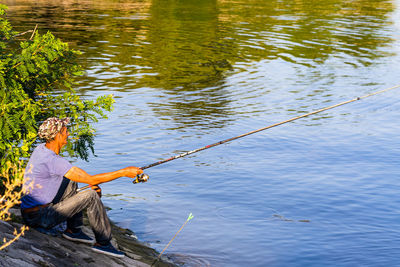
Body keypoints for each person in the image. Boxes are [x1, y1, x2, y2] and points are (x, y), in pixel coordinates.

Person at [20, 117, 143, 258]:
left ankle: (73, 230)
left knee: (70, 180)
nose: (68, 134)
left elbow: (80, 178)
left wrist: (85, 191)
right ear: (57, 135)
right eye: (65, 131)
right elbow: (91, 179)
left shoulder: (41, 149)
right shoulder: (53, 160)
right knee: (90, 195)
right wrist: (123, 172)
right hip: (39, 218)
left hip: (31, 213)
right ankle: (103, 243)